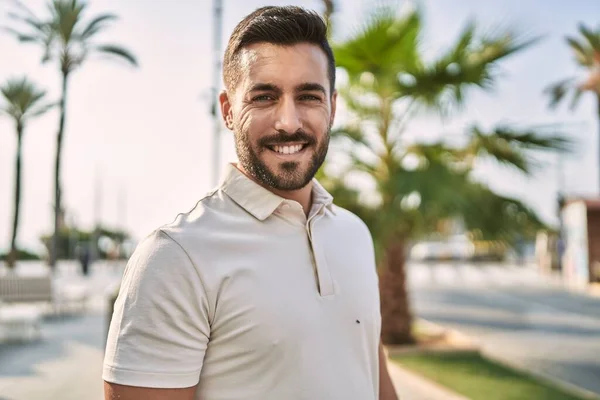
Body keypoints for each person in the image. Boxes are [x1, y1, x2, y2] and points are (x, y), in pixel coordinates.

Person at [103, 6, 398, 400]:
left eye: (308, 96)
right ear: (227, 110)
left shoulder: (354, 233)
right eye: (264, 97)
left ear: (333, 107)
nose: (289, 122)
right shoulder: (175, 257)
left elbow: (369, 372)